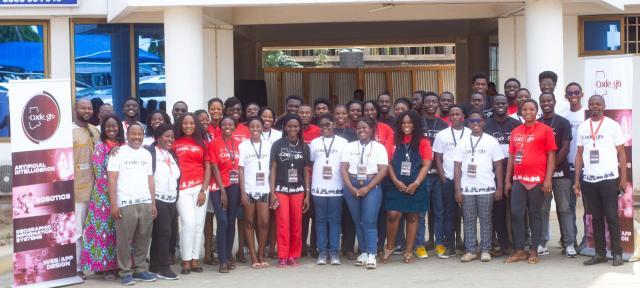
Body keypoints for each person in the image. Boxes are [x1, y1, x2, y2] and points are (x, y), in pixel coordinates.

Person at [574, 95, 626, 267]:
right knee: (595, 218)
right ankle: (600, 253)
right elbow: (579, 154)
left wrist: (623, 178)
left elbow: (621, 153)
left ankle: (617, 253)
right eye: (591, 104)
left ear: (603, 106)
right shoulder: (582, 127)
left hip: (609, 180)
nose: (594, 106)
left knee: (611, 217)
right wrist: (577, 180)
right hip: (589, 180)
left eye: (597, 104)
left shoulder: (612, 125)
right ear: (588, 107)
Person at [504, 99, 556, 264]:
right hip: (519, 180)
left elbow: (551, 155)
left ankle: (534, 250)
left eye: (531, 109)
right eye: (525, 109)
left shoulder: (545, 130)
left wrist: (548, 179)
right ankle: (520, 250)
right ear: (520, 111)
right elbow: (512, 156)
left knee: (535, 215)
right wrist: (507, 180)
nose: (528, 112)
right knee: (517, 214)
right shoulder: (516, 132)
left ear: (537, 111)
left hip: (537, 181)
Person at [107, 123, 158, 285]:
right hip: (125, 202)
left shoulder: (146, 154)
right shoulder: (118, 153)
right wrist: (114, 204)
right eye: (133, 134)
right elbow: (112, 179)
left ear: (143, 136)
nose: (137, 137)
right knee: (124, 240)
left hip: (145, 202)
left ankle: (141, 270)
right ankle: (125, 272)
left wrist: (153, 203)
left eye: (140, 134)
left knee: (143, 238)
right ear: (127, 135)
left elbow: (150, 180)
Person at [381, 110, 432, 264]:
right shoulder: (393, 139)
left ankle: (409, 251)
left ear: (415, 124)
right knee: (393, 214)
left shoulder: (423, 142)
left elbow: (426, 165)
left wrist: (416, 183)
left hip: (416, 185)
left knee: (412, 216)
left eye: (409, 122)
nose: (406, 125)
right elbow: (387, 162)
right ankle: (389, 247)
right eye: (403, 123)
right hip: (395, 184)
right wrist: (396, 181)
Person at [454, 111, 504, 262]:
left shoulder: (491, 141)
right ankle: (470, 250)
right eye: (472, 121)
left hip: (486, 187)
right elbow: (457, 166)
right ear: (468, 124)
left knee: (485, 218)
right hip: (467, 188)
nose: (475, 124)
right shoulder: (462, 142)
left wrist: (499, 187)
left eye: (478, 121)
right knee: (468, 219)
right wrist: (457, 190)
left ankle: (485, 250)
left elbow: (499, 165)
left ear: (483, 122)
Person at [340, 117, 388, 269]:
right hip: (352, 185)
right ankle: (364, 252)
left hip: (371, 185)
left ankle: (372, 254)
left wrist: (368, 187)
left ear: (371, 130)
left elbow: (383, 170)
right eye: (359, 128)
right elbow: (343, 168)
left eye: (365, 127)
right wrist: (350, 187)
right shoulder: (349, 147)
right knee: (358, 221)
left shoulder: (379, 147)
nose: (361, 130)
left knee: (369, 221)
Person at [80, 114, 123, 280]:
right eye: (108, 127)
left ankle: (121, 264)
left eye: (114, 126)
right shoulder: (100, 146)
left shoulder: (124, 146)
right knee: (105, 231)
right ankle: (107, 267)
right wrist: (111, 193)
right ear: (103, 129)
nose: (111, 129)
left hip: (123, 193)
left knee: (119, 231)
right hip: (104, 195)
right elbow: (99, 171)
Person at [269, 114, 311, 267]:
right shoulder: (278, 144)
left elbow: (306, 171)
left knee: (296, 224)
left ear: (299, 128)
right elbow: (273, 169)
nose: (293, 129)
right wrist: (272, 192)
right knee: (283, 223)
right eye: (290, 126)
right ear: (285, 127)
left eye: (296, 126)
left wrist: (307, 193)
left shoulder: (304, 146)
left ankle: (293, 255)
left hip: (298, 190)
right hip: (281, 190)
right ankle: (282, 255)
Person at [537, 92, 576, 257]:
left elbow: (565, 148)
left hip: (561, 173)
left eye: (549, 100)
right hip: (540, 174)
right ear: (540, 103)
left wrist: (550, 169)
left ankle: (569, 244)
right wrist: (544, 172)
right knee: (542, 209)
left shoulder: (563, 122)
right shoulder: (536, 123)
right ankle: (542, 242)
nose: (546, 103)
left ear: (554, 102)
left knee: (565, 208)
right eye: (543, 101)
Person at [483, 95, 521, 257]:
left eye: (503, 103)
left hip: (515, 174)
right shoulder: (486, 125)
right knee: (497, 212)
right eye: (496, 103)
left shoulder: (516, 125)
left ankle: (517, 245)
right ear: (492, 105)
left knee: (515, 212)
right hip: (492, 174)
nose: (500, 105)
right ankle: (503, 245)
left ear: (508, 105)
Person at [173, 113, 211, 274]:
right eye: (185, 123)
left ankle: (194, 260)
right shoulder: (174, 143)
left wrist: (203, 189)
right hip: (182, 189)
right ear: (180, 125)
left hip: (200, 188)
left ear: (196, 125)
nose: (188, 125)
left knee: (198, 225)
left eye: (191, 123)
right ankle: (185, 259)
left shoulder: (203, 143)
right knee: (188, 223)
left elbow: (208, 167)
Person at [309, 114, 348, 265]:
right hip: (318, 188)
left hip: (337, 188)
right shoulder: (314, 143)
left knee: (335, 220)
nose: (325, 127)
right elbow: (312, 162)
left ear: (333, 125)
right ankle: (322, 252)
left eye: (328, 124)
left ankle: (334, 253)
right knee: (320, 220)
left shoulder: (343, 143)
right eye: (322, 125)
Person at [432, 105, 470, 257]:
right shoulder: (442, 135)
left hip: (467, 180)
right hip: (448, 179)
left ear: (463, 117)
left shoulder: (470, 133)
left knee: (468, 214)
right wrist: (442, 177)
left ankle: (468, 245)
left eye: (458, 114)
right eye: (452, 114)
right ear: (448, 117)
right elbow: (438, 158)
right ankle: (450, 245)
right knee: (449, 213)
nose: (455, 117)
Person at [147, 124, 180, 280]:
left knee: (165, 233)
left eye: (172, 137)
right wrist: (152, 202)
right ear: (158, 137)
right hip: (158, 198)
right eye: (167, 136)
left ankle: (154, 266)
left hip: (172, 199)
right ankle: (164, 268)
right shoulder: (150, 152)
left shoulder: (172, 154)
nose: (170, 139)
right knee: (164, 233)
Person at [209, 116, 243, 273]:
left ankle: (228, 256)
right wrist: (222, 191)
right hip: (218, 186)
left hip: (234, 185)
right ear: (220, 127)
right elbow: (214, 167)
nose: (227, 126)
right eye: (224, 124)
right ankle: (222, 260)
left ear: (235, 126)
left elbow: (241, 168)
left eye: (230, 124)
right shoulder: (214, 143)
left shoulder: (239, 145)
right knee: (222, 221)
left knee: (231, 221)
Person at [239, 116, 273, 269]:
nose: (255, 130)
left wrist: (272, 191)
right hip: (249, 189)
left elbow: (273, 169)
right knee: (249, 222)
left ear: (262, 127)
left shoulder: (269, 145)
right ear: (249, 128)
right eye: (252, 127)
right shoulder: (243, 146)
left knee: (264, 223)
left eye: (258, 127)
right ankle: (253, 256)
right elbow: (241, 170)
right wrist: (243, 193)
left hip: (264, 189)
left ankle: (261, 254)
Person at [73, 99, 100, 280]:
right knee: (77, 231)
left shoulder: (95, 130)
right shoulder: (67, 131)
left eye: (89, 107)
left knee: (96, 230)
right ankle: (76, 267)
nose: (87, 110)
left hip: (97, 190)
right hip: (77, 190)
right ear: (75, 109)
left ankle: (96, 264)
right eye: (83, 107)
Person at [421, 92, 450, 258]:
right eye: (428, 101)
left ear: (437, 103)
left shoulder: (443, 125)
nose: (431, 104)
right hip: (422, 173)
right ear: (423, 104)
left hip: (438, 174)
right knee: (421, 212)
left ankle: (439, 243)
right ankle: (420, 244)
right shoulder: (418, 122)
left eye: (434, 101)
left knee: (439, 211)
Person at [333, 104, 358, 261]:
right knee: (336, 215)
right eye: (337, 113)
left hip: (349, 178)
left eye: (343, 113)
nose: (340, 116)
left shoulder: (353, 133)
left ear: (347, 115)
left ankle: (348, 247)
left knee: (349, 215)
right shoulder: (330, 132)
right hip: (332, 179)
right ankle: (334, 246)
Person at [563, 82, 586, 251]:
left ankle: (588, 239)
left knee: (589, 207)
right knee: (569, 207)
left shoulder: (587, 114)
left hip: (588, 168)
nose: (573, 95)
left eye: (576, 92)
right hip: (567, 168)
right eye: (570, 93)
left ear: (581, 94)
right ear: (566, 96)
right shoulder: (563, 116)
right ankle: (571, 241)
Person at [298, 104, 320, 257]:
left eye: (307, 113)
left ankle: (314, 246)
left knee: (316, 215)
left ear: (311, 115)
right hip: (298, 180)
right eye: (301, 113)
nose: (304, 115)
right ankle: (301, 246)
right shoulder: (293, 129)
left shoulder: (318, 131)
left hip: (317, 179)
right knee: (302, 215)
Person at [204, 98, 224, 265]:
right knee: (208, 217)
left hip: (223, 180)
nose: (216, 111)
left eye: (219, 108)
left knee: (222, 216)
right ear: (209, 110)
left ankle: (221, 249)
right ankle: (208, 251)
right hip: (207, 178)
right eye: (213, 108)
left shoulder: (226, 127)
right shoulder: (205, 128)